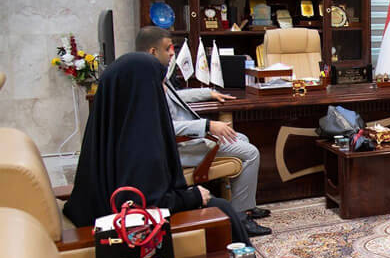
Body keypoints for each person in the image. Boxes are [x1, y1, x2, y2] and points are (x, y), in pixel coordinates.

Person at [64, 52, 251, 245]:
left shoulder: (111, 125)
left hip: (101, 214)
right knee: (221, 209)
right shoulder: (139, 142)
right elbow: (145, 203)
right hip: (126, 234)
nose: (164, 89)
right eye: (160, 83)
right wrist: (193, 197)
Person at [135, 27, 271, 237]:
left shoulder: (153, 75)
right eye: (168, 48)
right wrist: (207, 126)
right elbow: (161, 127)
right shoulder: (144, 84)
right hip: (179, 147)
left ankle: (245, 206)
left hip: (186, 140)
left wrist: (208, 93)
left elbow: (176, 96)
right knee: (250, 152)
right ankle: (241, 217)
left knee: (241, 138)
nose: (172, 53)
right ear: (153, 51)